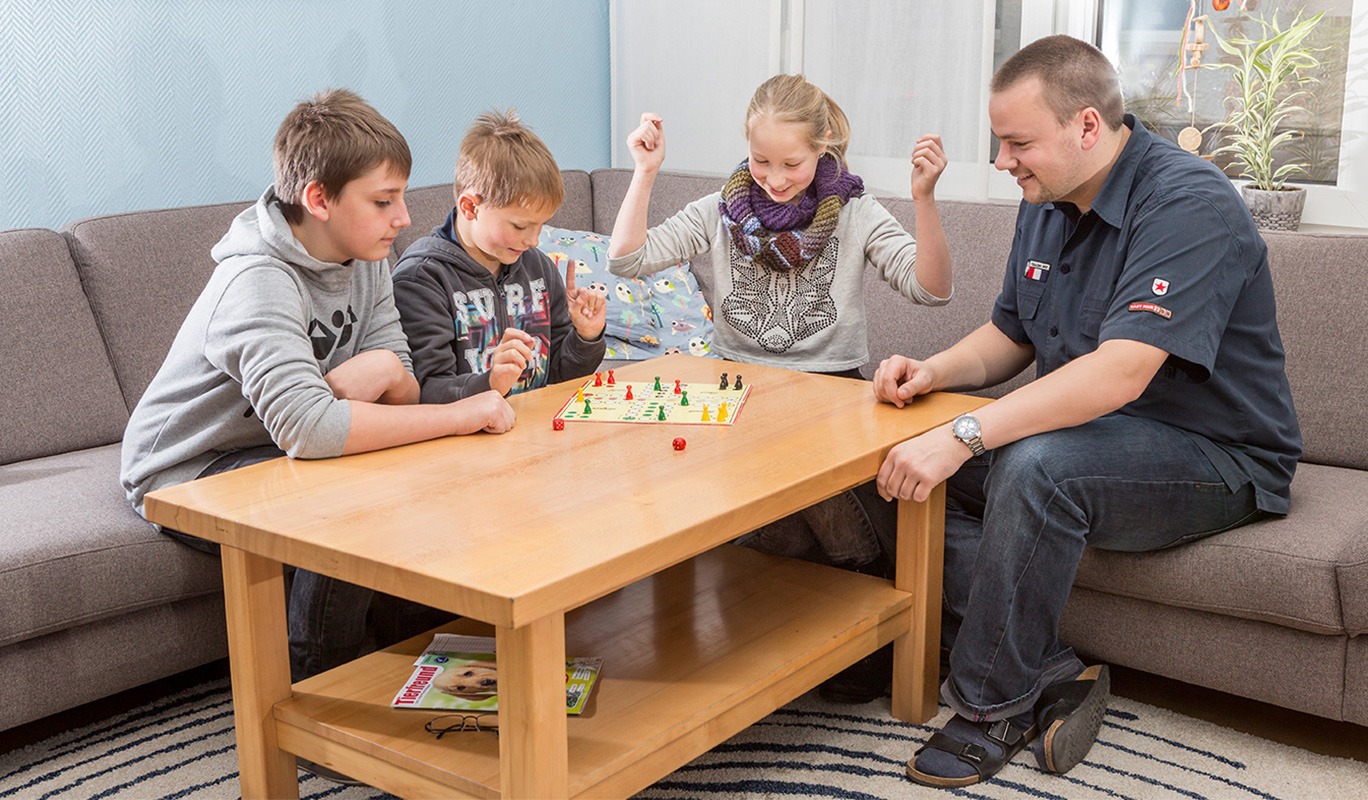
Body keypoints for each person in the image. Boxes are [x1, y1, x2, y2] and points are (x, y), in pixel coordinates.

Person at [871, 36, 1301, 789]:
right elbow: (1010, 336)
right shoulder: (1045, 198)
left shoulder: (1188, 201)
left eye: (1017, 142)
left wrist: (963, 434)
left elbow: (1119, 375)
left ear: (1089, 127)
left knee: (1038, 471)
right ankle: (1045, 668)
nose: (1003, 160)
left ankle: (988, 706)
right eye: (998, 142)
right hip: (1097, 436)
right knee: (881, 455)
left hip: (1214, 453)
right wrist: (933, 374)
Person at [120, 89, 516, 688]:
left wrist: (361, 381)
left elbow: (400, 386)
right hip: (187, 467)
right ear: (318, 199)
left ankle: (418, 661)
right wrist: (459, 413)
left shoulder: (369, 255)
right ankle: (316, 693)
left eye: (401, 198)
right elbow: (312, 430)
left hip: (276, 440)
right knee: (344, 502)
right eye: (384, 201)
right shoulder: (256, 280)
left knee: (417, 467)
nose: (404, 218)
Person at [607, 73, 954, 702]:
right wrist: (645, 171)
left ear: (823, 147)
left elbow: (931, 289)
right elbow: (627, 260)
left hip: (830, 400)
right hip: (741, 397)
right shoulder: (718, 212)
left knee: (803, 480)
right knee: (765, 530)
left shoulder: (853, 213)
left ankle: (867, 607)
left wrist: (924, 199)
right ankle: (784, 619)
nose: (774, 176)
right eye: (760, 160)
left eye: (791, 162)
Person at [393, 110, 606, 398]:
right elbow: (425, 393)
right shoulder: (422, 279)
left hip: (533, 433)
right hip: (469, 440)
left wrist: (585, 337)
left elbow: (559, 374)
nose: (534, 240)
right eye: (520, 226)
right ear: (470, 207)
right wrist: (490, 382)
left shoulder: (537, 268)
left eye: (541, 225)